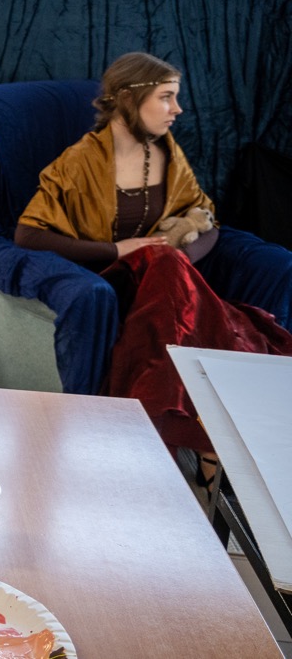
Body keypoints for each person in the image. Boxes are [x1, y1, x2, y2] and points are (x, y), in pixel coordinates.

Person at [16, 52, 292, 480]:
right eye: (166, 97)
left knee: (166, 263)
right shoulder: (79, 162)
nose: (177, 109)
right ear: (130, 98)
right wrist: (116, 250)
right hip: (111, 280)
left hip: (166, 279)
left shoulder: (166, 153)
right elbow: (27, 234)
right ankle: (209, 427)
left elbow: (207, 222)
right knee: (165, 264)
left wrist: (180, 259)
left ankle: (176, 435)